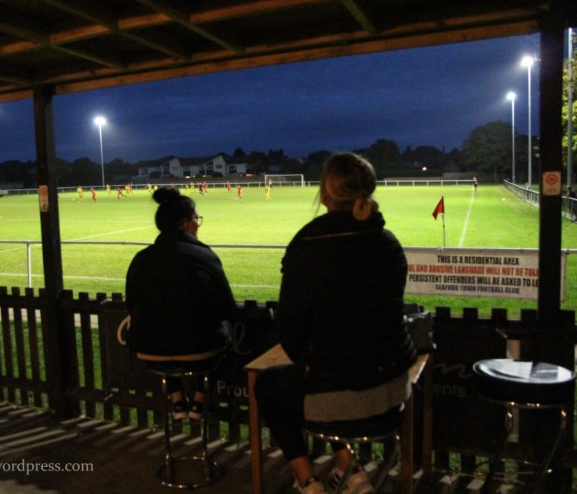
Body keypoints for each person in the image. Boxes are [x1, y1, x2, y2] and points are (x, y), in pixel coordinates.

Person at [254, 152, 417, 494]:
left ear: (326, 194)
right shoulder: (388, 243)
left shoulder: (309, 245)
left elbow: (291, 332)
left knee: (271, 385)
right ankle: (349, 469)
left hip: (339, 390)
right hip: (394, 391)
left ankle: (307, 480)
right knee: (327, 376)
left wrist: (313, 360)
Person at [126, 187, 236, 420]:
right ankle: (198, 400)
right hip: (200, 348)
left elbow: (131, 304)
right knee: (222, 337)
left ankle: (177, 401)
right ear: (185, 223)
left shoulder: (141, 258)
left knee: (167, 329)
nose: (198, 224)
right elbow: (227, 306)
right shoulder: (204, 255)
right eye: (196, 219)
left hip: (148, 350)